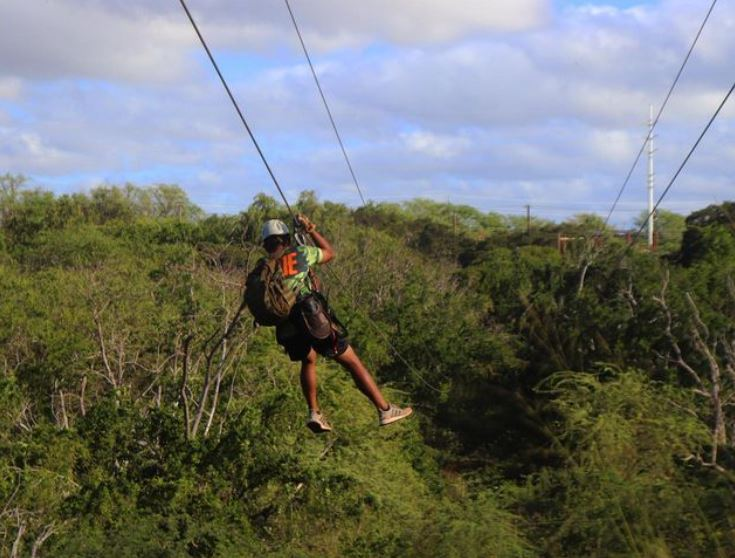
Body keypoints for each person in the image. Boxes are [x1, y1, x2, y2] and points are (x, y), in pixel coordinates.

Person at [260, 214, 413, 433]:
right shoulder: (300, 253)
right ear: (285, 239)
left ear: (266, 244)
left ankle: (314, 412)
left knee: (309, 359)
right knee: (352, 361)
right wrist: (311, 230)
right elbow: (330, 253)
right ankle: (385, 409)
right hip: (308, 317)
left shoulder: (265, 266)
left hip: (286, 325)